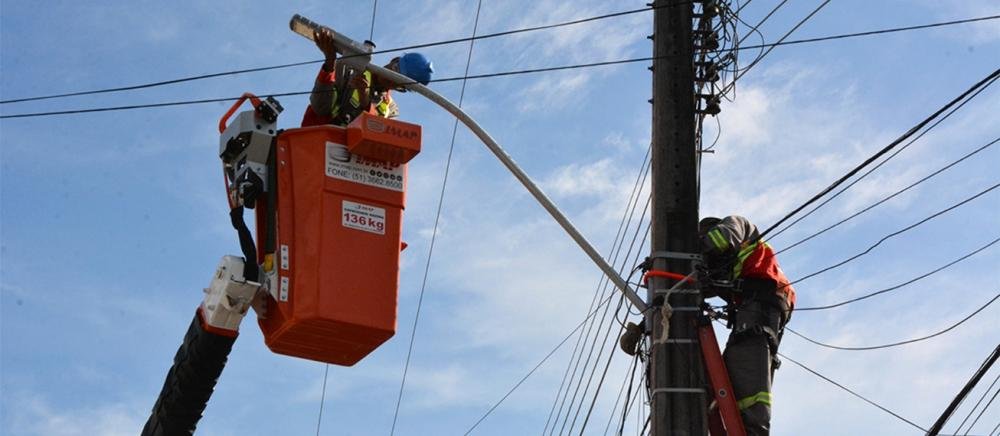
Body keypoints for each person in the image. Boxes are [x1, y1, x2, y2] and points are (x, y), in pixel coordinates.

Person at [699, 215, 795, 436]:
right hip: (761, 307)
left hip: (762, 303)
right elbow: (694, 288)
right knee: (735, 361)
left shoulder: (738, 225)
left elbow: (722, 237)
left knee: (747, 359)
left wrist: (692, 249)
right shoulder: (727, 267)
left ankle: (752, 429)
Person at [301, 28, 433, 127]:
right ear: (394, 60)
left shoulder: (389, 109)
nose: (391, 76)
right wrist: (330, 62)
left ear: (401, 87)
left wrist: (365, 101)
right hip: (316, 144)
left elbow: (376, 140)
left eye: (398, 79)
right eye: (395, 68)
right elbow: (320, 107)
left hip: (346, 160)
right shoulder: (349, 68)